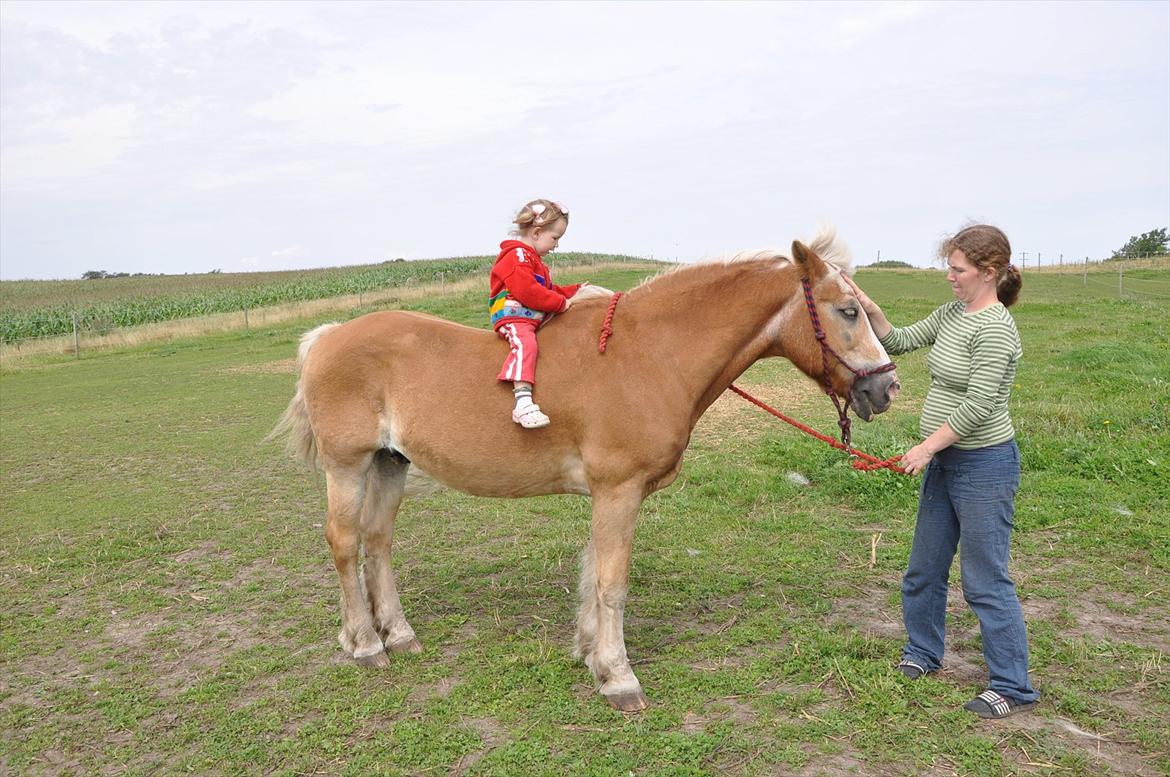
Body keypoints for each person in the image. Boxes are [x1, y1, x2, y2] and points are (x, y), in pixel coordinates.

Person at [846, 223, 1039, 719]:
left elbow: (979, 405)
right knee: (924, 569)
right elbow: (903, 339)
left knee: (985, 580)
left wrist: (927, 447)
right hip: (947, 461)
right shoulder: (953, 314)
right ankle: (924, 652)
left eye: (957, 269)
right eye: (948, 267)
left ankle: (1012, 686)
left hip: (984, 465)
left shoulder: (995, 328)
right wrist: (869, 310)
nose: (949, 277)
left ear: (988, 272)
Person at [489, 199, 583, 429]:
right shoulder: (517, 257)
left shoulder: (534, 260)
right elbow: (528, 291)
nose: (556, 245)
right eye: (555, 238)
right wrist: (560, 303)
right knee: (526, 344)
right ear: (537, 232)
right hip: (515, 316)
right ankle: (522, 402)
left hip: (531, 315)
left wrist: (577, 291)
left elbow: (548, 290)